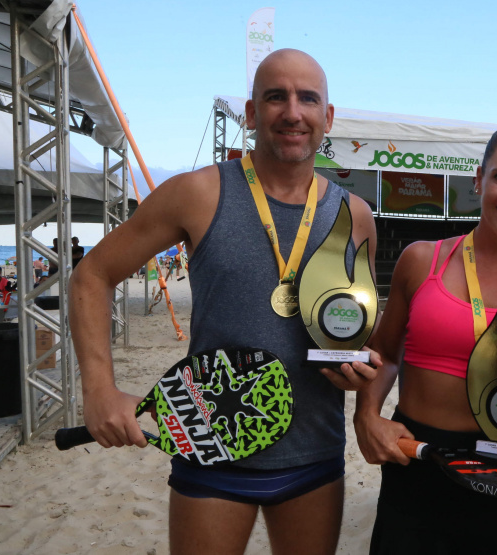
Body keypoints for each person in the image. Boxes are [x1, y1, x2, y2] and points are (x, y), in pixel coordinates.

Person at [69, 49, 379, 555]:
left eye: (308, 99)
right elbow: (92, 275)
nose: (292, 111)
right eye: (275, 96)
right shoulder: (197, 193)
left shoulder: (355, 215)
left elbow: (359, 327)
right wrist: (100, 389)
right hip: (211, 448)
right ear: (252, 114)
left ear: (328, 117)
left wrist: (358, 367)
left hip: (315, 455)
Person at [354, 123, 497, 554]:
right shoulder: (421, 261)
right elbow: (384, 352)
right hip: (417, 462)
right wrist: (366, 417)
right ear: (479, 180)